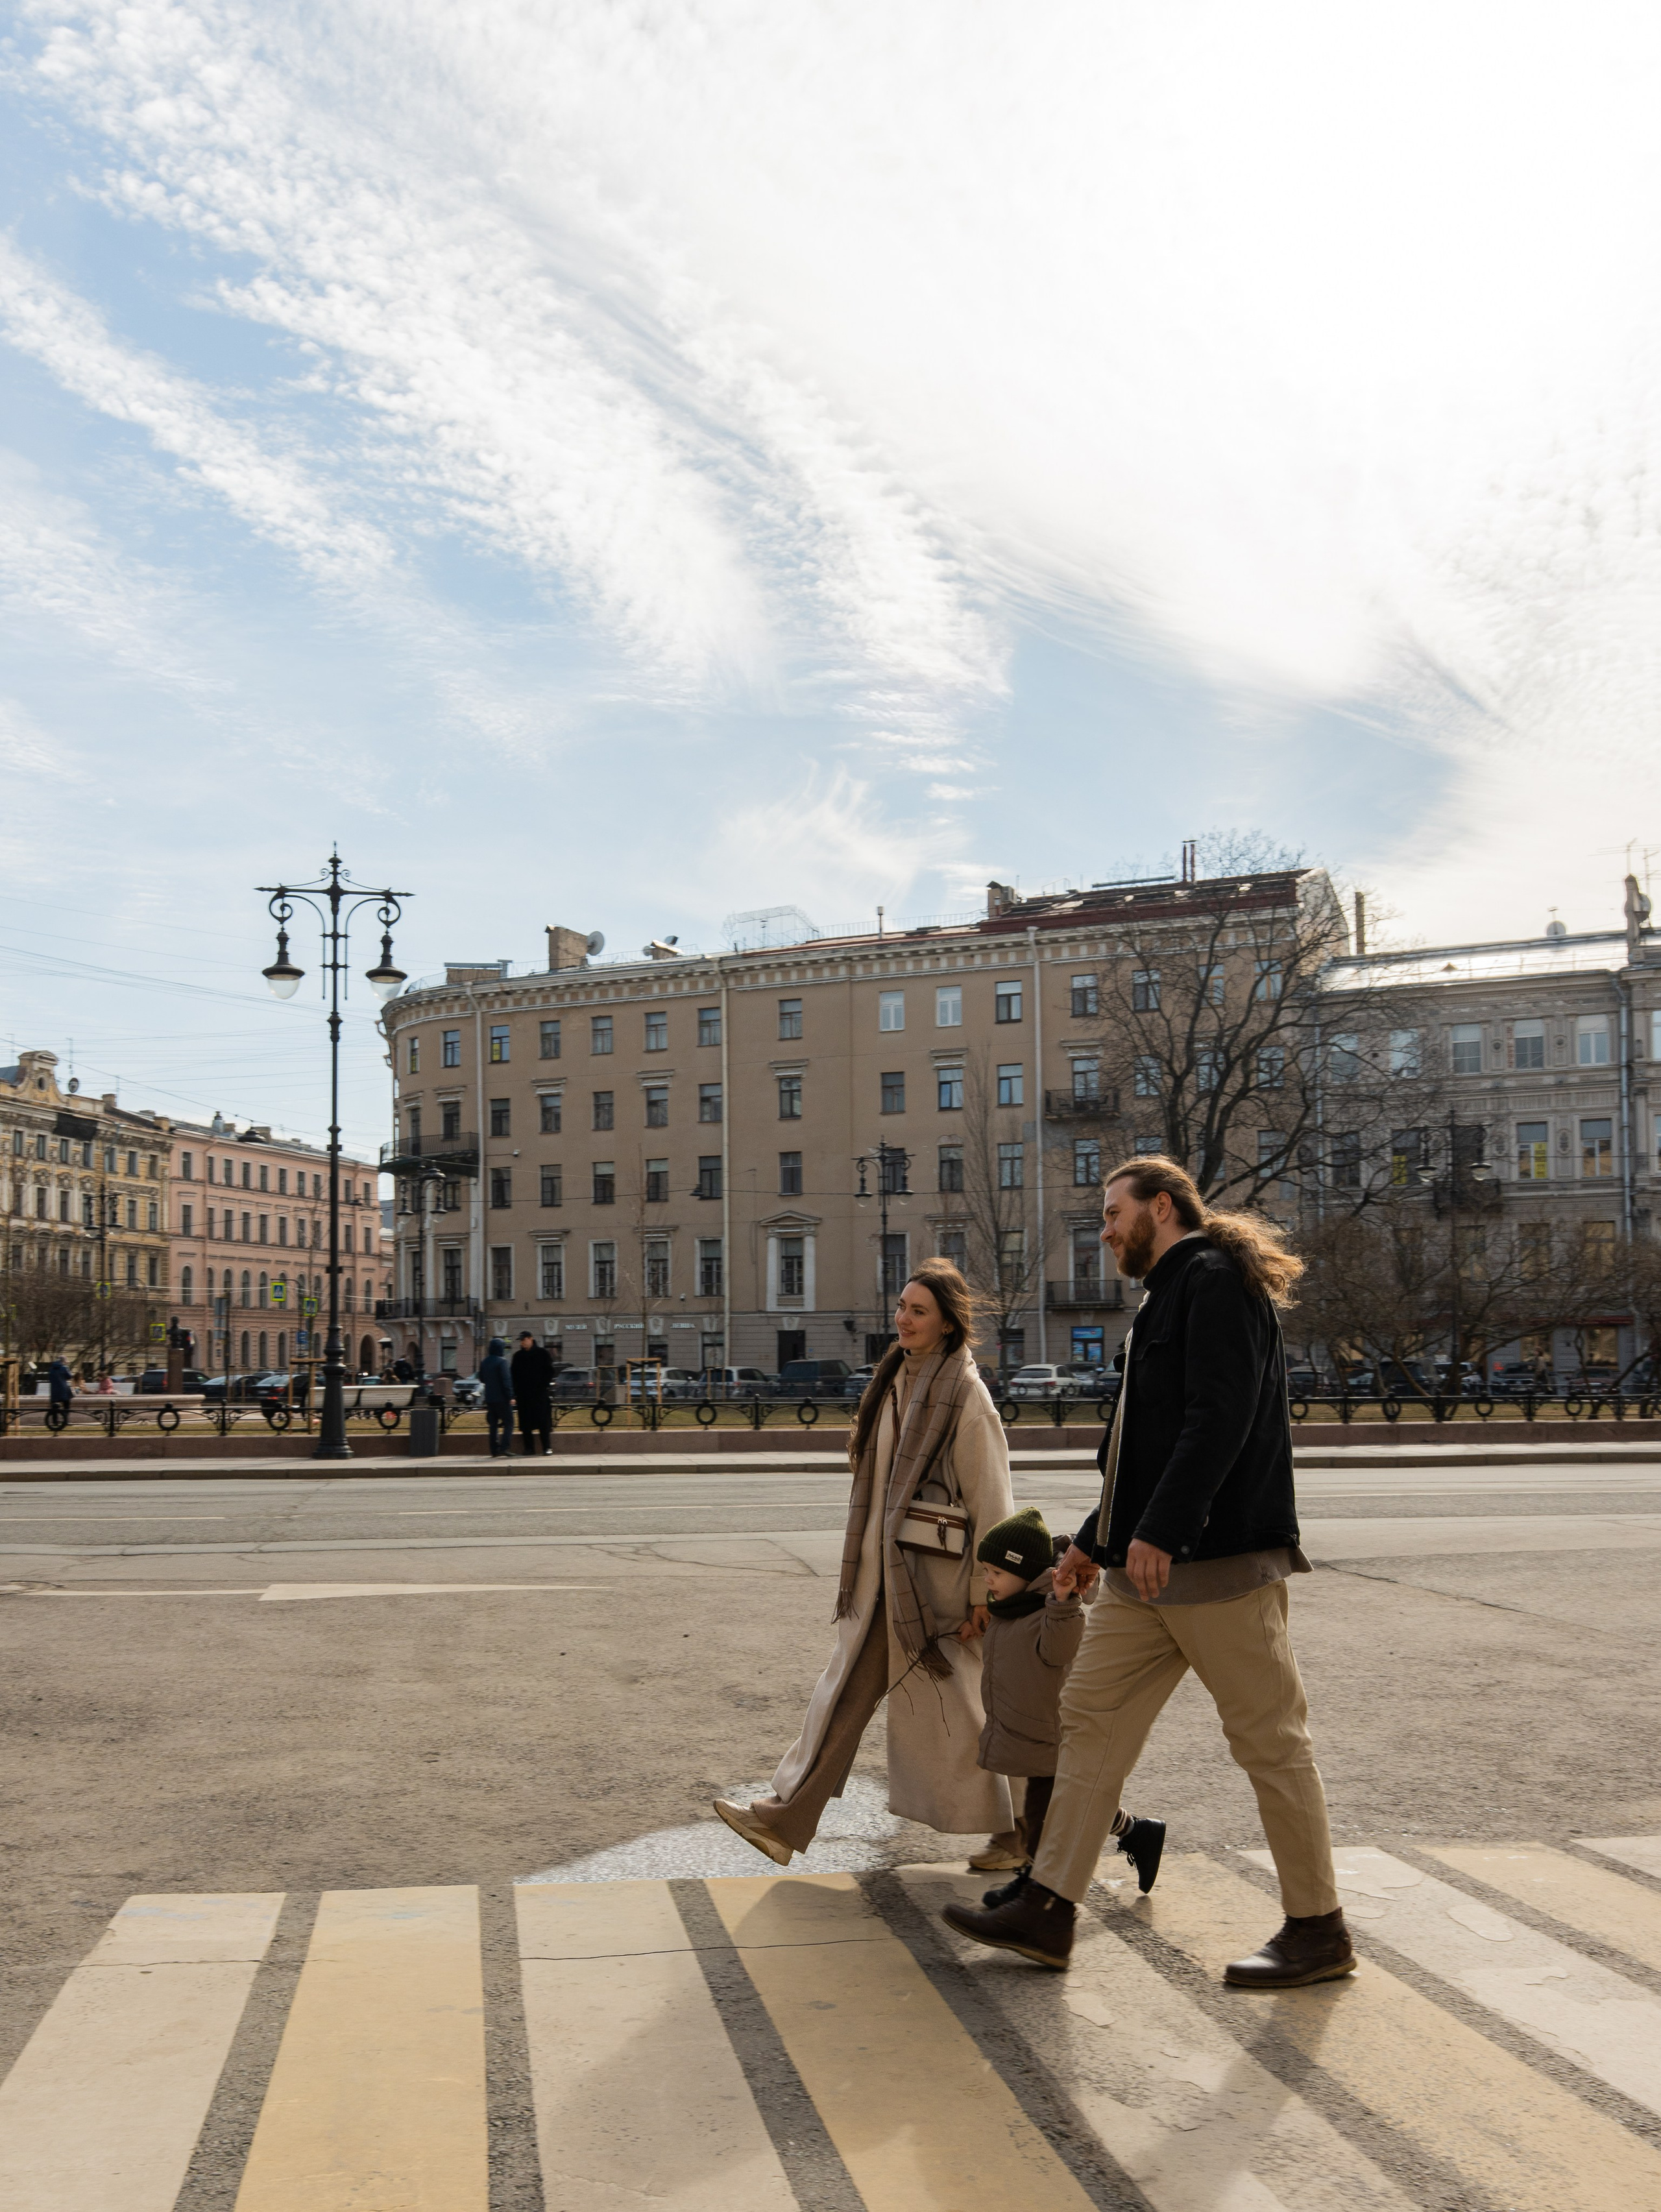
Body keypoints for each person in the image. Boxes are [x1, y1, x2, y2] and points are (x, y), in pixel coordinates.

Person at [945, 1156, 1352, 1988]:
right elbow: (1137, 1451)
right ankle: (1048, 1904)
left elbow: (1221, 1414)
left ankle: (1319, 1929)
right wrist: (1091, 1543)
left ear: (1160, 1207)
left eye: (1111, 1211)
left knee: (1269, 1743)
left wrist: (1161, 1529)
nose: (1103, 1229)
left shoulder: (1212, 1280)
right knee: (1088, 1718)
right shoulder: (1165, 1294)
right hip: (1144, 1572)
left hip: (1219, 1567)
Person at [714, 1260, 1022, 1868]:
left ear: (947, 1324)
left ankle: (1032, 1830)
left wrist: (989, 1596)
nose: (902, 1319)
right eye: (903, 1308)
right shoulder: (896, 1381)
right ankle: (785, 1819)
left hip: (937, 1588)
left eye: (918, 1311)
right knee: (849, 1698)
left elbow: (992, 1498)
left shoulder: (965, 1396)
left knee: (967, 1716)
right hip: (887, 1584)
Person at [960, 1506, 1166, 1913]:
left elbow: (1061, 1647)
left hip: (1050, 1735)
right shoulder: (1010, 1609)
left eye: (996, 1573)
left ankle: (1036, 1889)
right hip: (1031, 1732)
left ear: (1026, 1574)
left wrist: (1062, 1602)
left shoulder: (1051, 1611)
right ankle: (1136, 1832)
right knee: (1069, 1805)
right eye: (986, 1571)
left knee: (1042, 1819)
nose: (988, 1580)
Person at [511, 1330, 554, 1456]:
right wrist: (516, 1391)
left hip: (539, 1394)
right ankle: (529, 1448)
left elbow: (550, 1371)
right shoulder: (518, 1356)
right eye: (521, 1341)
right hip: (523, 1395)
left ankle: (547, 1447)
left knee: (543, 1422)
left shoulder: (542, 1353)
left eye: (524, 1340)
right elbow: (513, 1375)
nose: (522, 1343)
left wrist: (543, 1385)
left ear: (531, 1339)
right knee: (525, 1424)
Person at [478, 1336, 515, 1458]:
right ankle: (504, 1448)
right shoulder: (502, 1362)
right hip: (502, 1399)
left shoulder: (484, 1362)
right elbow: (506, 1381)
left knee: (493, 1425)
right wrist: (510, 1396)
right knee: (509, 1422)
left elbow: (482, 1379)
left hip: (490, 1399)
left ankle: (494, 1450)